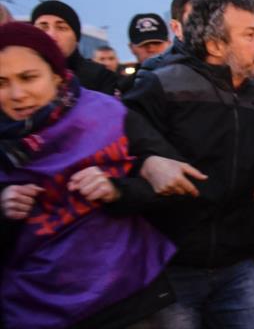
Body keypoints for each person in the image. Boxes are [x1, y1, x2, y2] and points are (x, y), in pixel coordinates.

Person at [107, 0, 254, 328]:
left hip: (239, 263)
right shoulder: (161, 86)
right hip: (173, 269)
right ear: (215, 45)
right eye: (251, 34)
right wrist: (149, 161)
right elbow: (124, 152)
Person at [0, 22, 176, 329]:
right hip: (33, 310)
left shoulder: (107, 114)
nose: (17, 94)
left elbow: (168, 186)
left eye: (29, 77)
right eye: (1, 82)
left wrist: (117, 190)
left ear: (56, 75)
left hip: (126, 301)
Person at [31, 0, 118, 95]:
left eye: (61, 28)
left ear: (76, 38)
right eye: (43, 28)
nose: (51, 35)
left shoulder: (100, 77)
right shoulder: (20, 75)